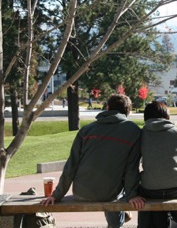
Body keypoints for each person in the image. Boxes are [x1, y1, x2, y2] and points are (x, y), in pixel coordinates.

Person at [41, 94, 142, 228]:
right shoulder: (133, 131)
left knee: (111, 187)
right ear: (128, 111)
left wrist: (56, 195)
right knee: (116, 193)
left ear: (107, 108)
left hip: (81, 193)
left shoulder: (86, 130)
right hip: (110, 194)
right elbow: (131, 169)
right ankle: (117, 222)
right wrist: (132, 195)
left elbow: (71, 165)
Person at [134, 101, 177, 228]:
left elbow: (133, 164)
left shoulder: (141, 134)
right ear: (166, 115)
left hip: (150, 189)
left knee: (143, 193)